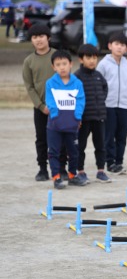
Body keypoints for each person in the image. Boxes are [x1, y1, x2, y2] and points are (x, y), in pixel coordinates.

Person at [22, 23, 67, 181]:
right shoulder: (28, 61)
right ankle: (42, 168)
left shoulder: (58, 56)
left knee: (62, 138)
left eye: (41, 36)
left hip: (60, 107)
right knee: (41, 138)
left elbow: (66, 79)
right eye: (35, 37)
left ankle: (62, 168)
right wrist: (41, 106)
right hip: (41, 108)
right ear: (31, 40)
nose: (38, 40)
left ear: (48, 37)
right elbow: (30, 86)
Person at [97, 32, 127, 174]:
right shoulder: (103, 64)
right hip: (108, 106)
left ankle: (119, 161)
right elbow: (98, 86)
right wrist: (99, 104)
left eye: (122, 45)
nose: (119, 48)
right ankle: (110, 162)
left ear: (126, 49)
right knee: (109, 135)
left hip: (124, 106)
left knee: (122, 135)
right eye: (116, 44)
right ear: (110, 46)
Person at [44, 50, 86, 189]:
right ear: (53, 67)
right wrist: (55, 116)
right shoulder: (50, 83)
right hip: (54, 124)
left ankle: (72, 175)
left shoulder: (77, 83)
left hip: (72, 123)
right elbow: (49, 100)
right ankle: (56, 177)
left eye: (64, 64)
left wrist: (77, 117)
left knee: (74, 151)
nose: (62, 67)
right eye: (58, 64)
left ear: (70, 64)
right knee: (54, 151)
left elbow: (80, 101)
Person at [74, 44, 111, 184]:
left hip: (99, 117)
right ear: (81, 59)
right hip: (83, 119)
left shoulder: (98, 76)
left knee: (100, 145)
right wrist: (77, 116)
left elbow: (104, 89)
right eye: (88, 57)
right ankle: (80, 172)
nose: (92, 60)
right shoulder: (76, 77)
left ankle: (101, 171)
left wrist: (100, 102)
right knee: (80, 146)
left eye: (95, 57)